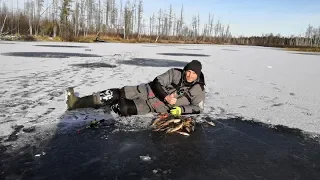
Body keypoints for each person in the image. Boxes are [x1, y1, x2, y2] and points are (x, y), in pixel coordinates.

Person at [66, 60, 205, 117]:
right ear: (185, 69)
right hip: (144, 91)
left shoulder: (198, 90)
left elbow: (198, 108)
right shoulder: (175, 73)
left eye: (193, 73)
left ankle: (101, 106)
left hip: (150, 106)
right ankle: (75, 102)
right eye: (188, 71)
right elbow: (157, 82)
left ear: (197, 75)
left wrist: (182, 110)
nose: (189, 75)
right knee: (113, 94)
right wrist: (166, 96)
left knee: (123, 108)